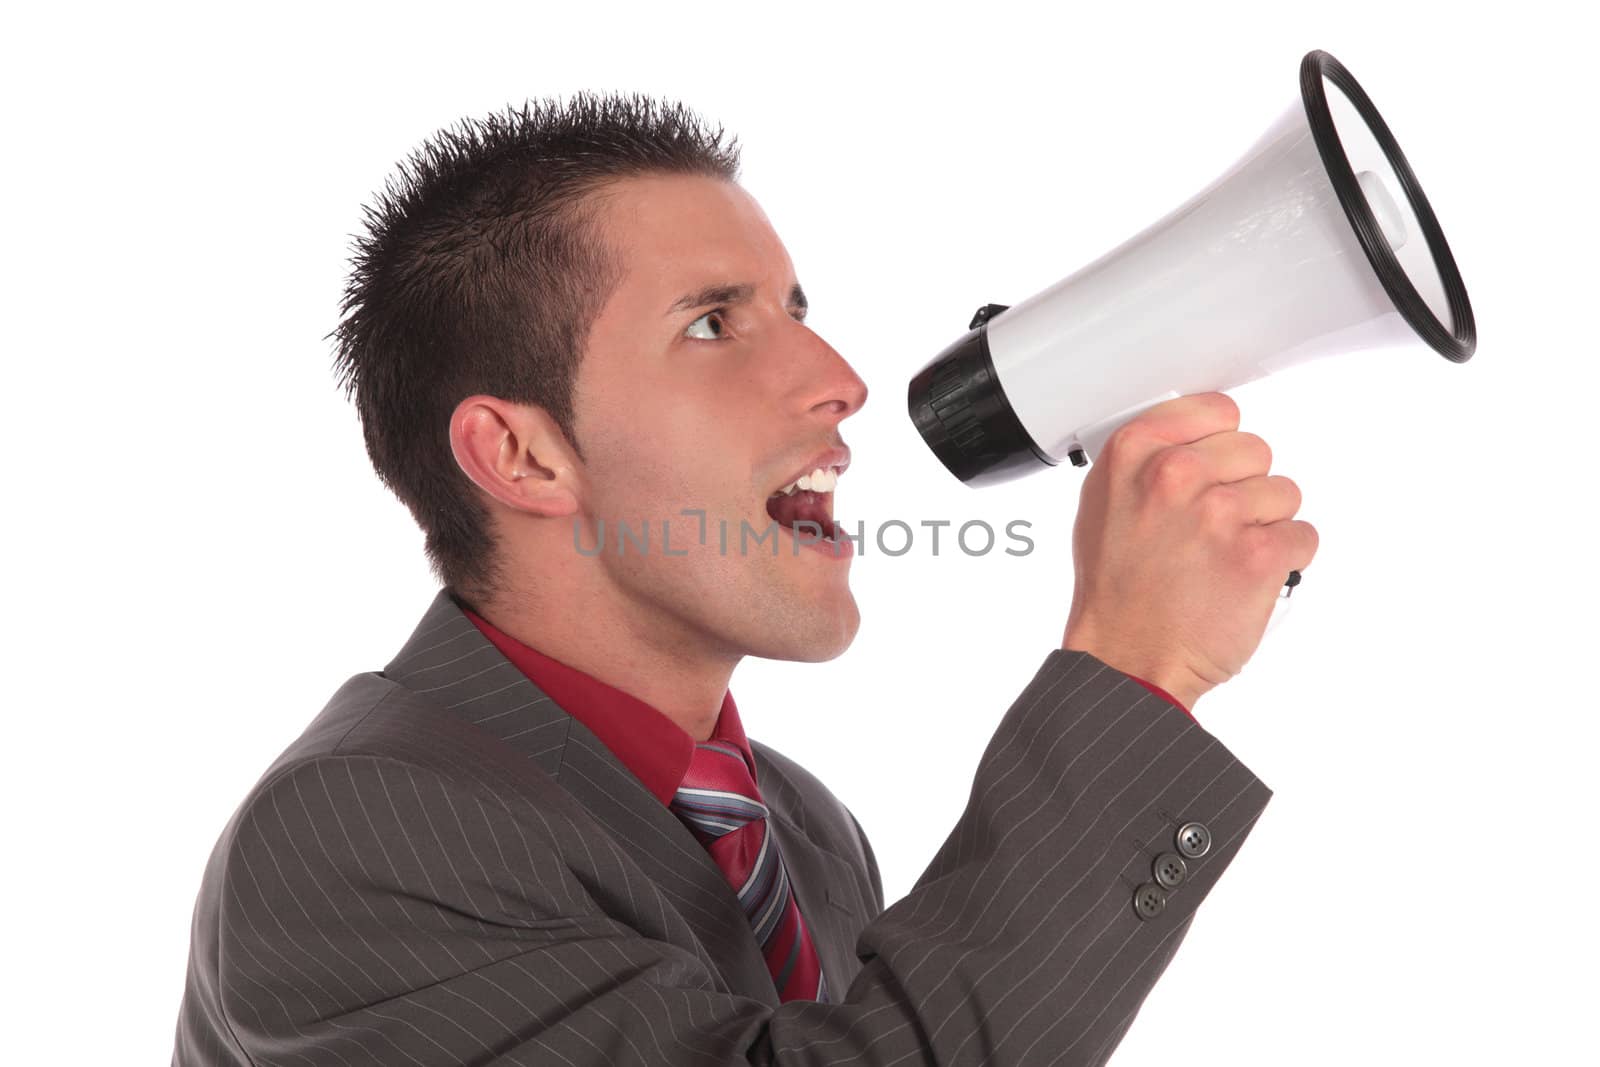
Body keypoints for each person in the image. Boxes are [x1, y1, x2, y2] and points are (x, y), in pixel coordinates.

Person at [171, 93, 1317, 1066]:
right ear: (521, 453)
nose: (841, 380)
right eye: (714, 323)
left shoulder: (800, 824)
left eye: (798, 310)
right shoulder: (360, 832)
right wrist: (1137, 670)